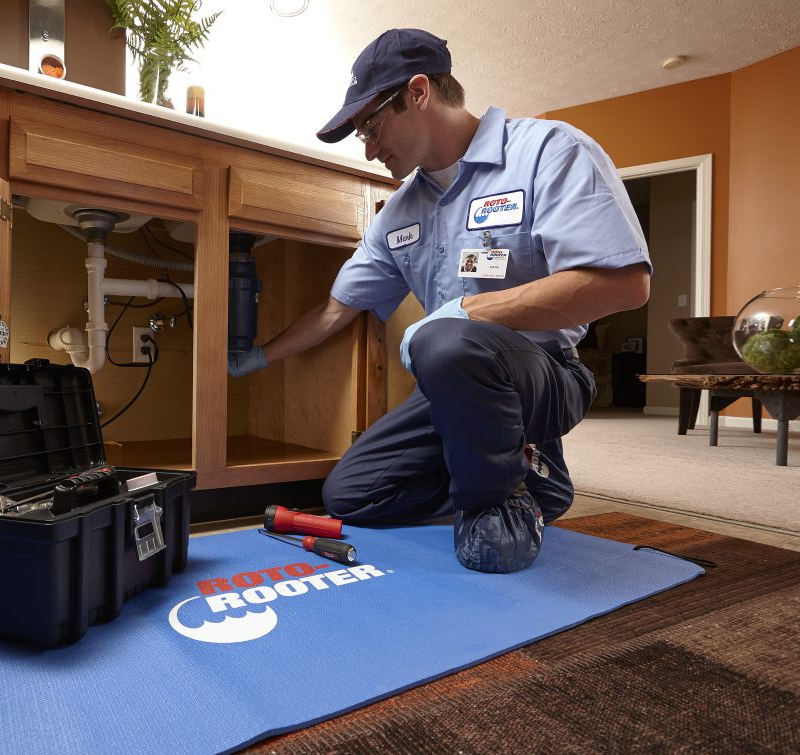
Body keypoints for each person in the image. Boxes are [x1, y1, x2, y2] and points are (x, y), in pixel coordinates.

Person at [228, 29, 650, 573]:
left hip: (544, 375)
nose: (370, 149)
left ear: (420, 92)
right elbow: (336, 310)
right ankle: (531, 479)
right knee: (351, 495)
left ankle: (497, 507)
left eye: (372, 126)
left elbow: (624, 284)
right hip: (453, 383)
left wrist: (467, 312)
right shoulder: (398, 213)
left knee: (447, 343)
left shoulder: (549, 152)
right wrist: (254, 358)